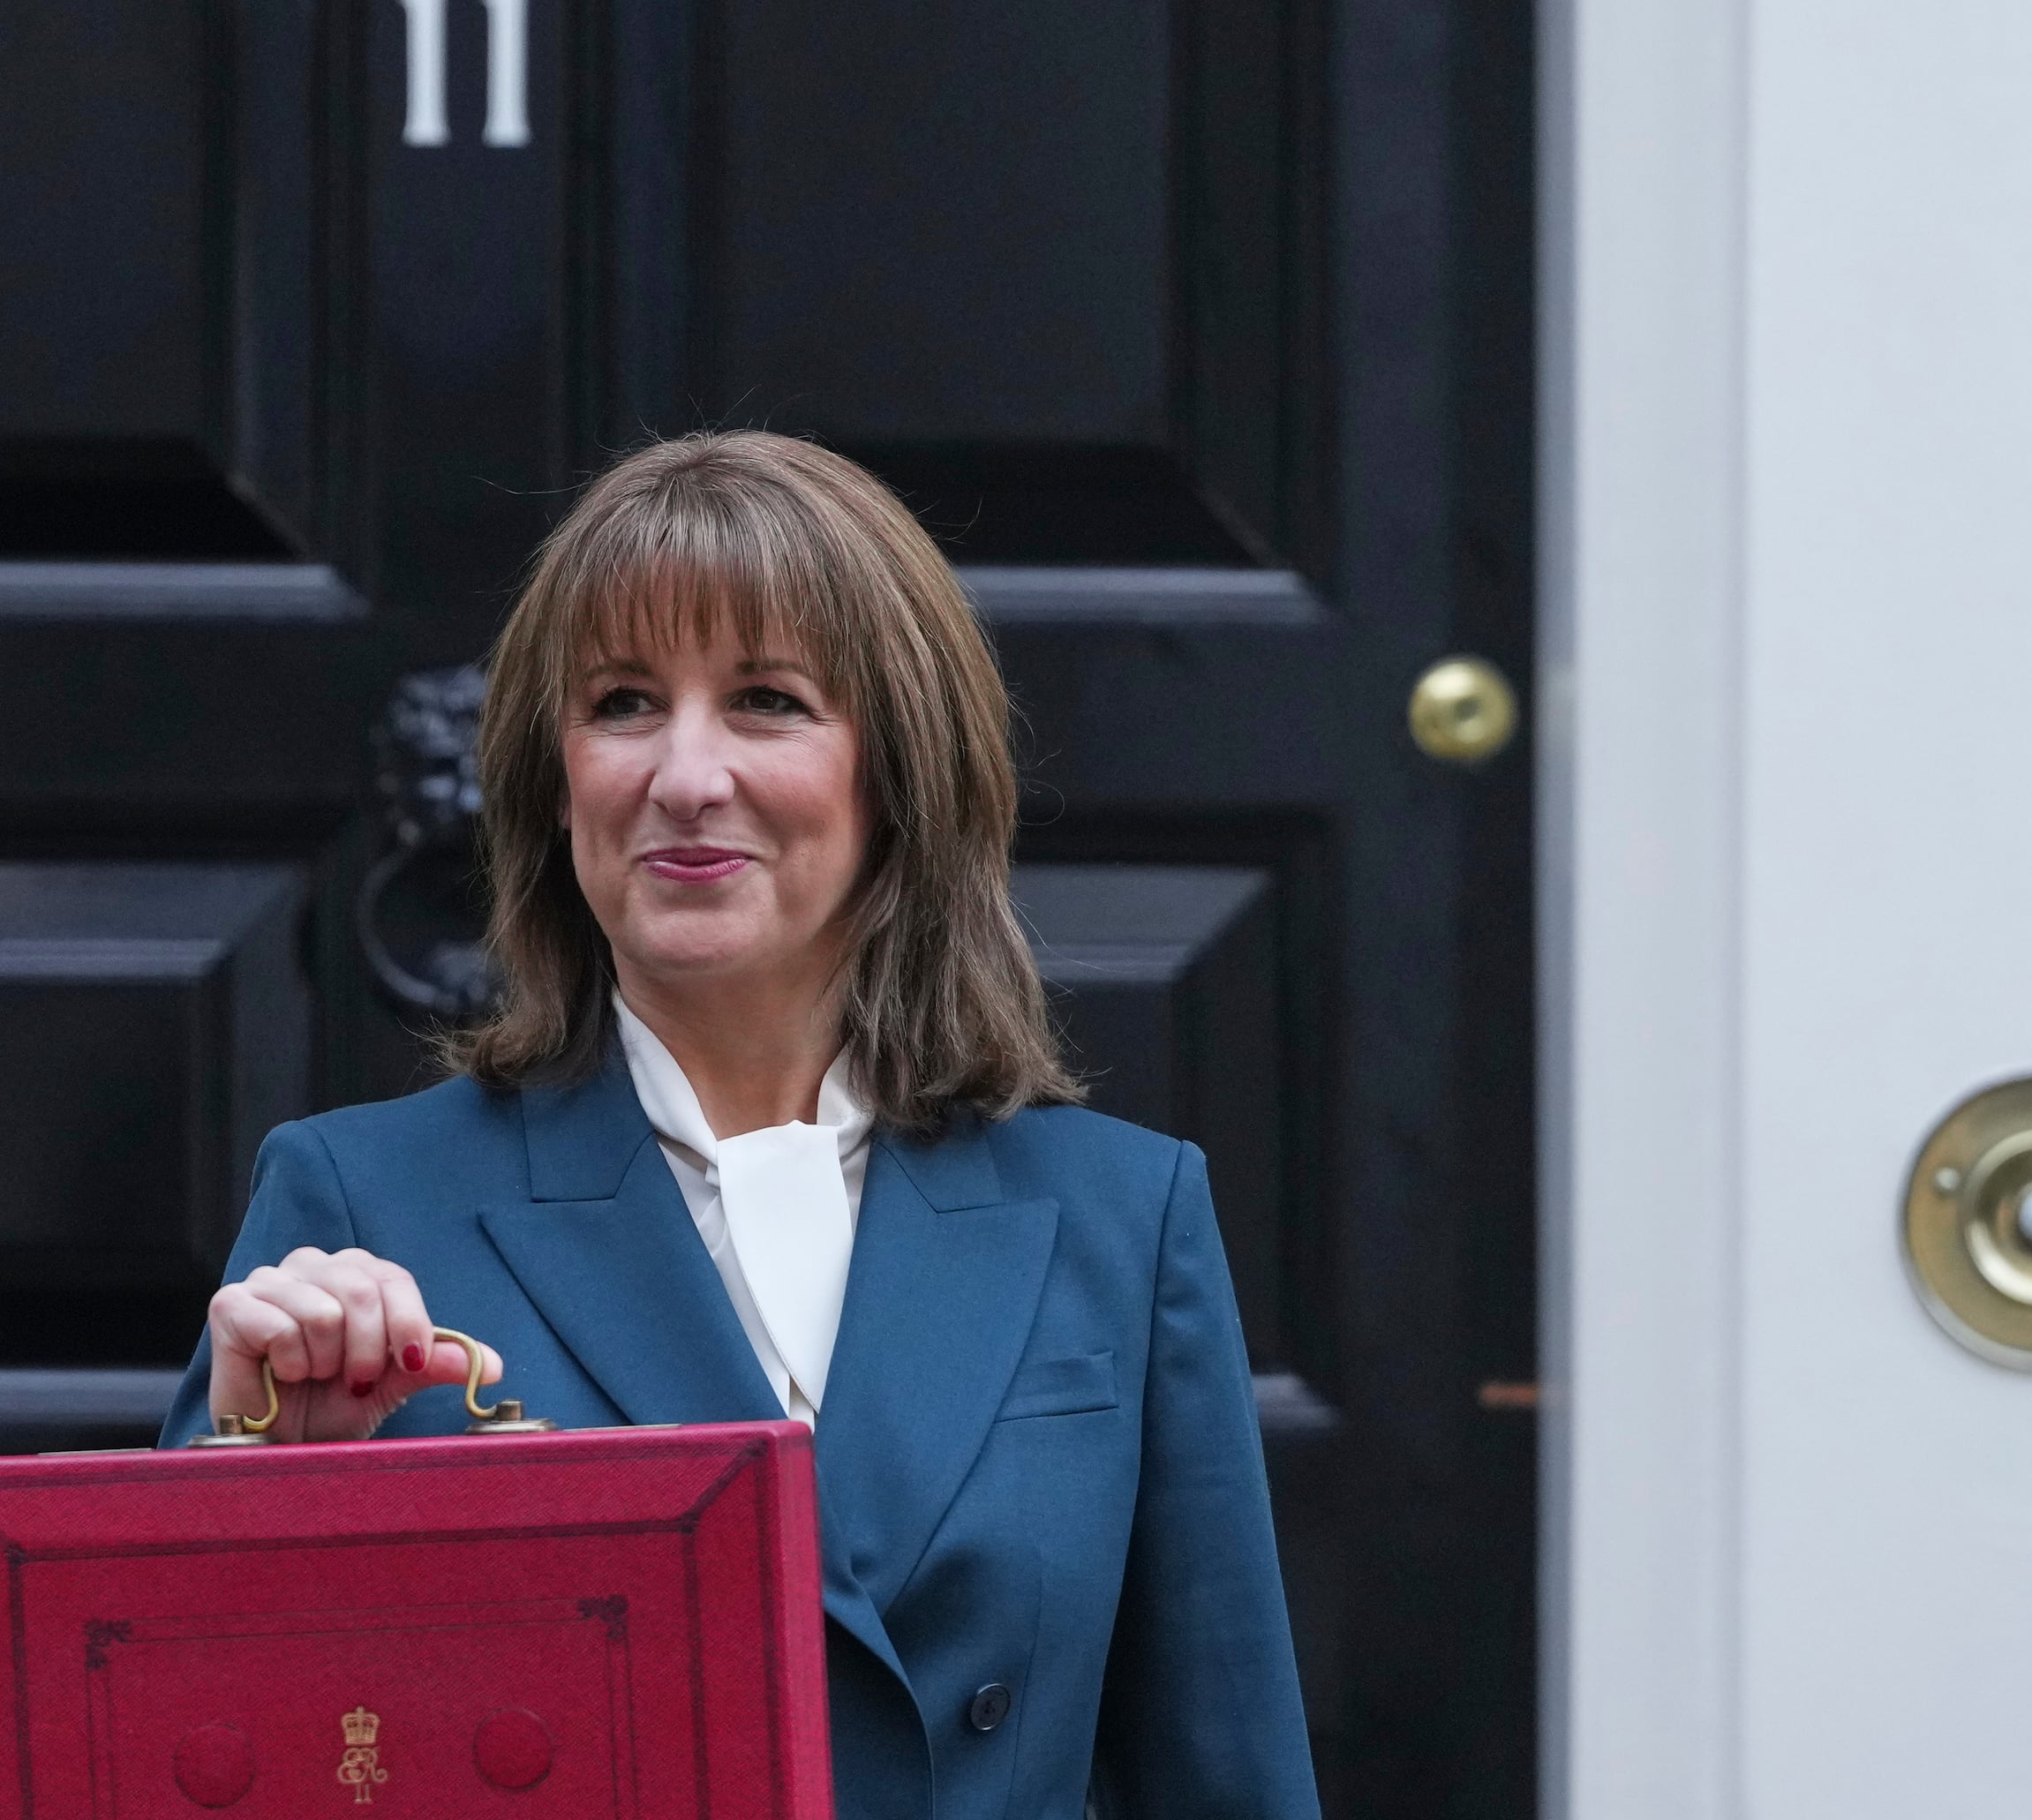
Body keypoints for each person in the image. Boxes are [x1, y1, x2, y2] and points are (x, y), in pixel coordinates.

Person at [158, 431, 1318, 1819]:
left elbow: (1227, 1779)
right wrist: (258, 1475)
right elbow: (181, 1750)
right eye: (625, 703)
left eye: (767, 701)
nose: (686, 774)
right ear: (555, 777)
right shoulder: (358, 1200)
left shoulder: (1124, 1219)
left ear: (898, 774)